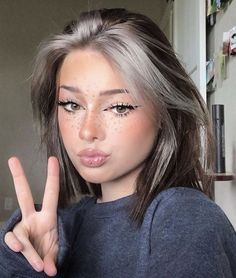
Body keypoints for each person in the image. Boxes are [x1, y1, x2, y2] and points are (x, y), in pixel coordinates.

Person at [0, 8, 236, 278]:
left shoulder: (185, 220)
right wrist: (22, 264)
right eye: (71, 104)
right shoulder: (61, 226)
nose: (87, 131)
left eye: (119, 107)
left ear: (164, 111)